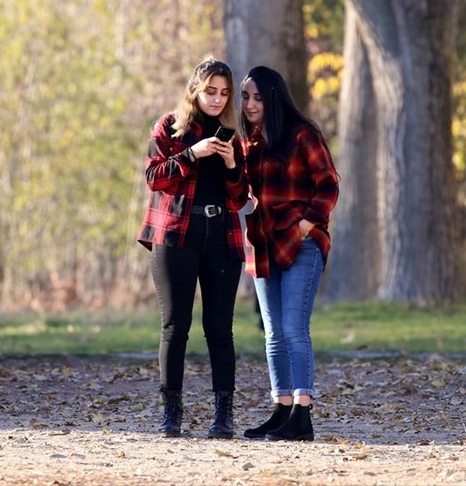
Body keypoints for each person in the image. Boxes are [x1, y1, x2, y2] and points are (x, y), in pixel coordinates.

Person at [137, 57, 249, 439]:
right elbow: (154, 177)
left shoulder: (233, 134)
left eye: (224, 93)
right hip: (175, 236)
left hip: (221, 236)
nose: (217, 99)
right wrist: (192, 154)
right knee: (175, 327)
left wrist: (233, 165)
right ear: (195, 90)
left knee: (220, 329)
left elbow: (239, 198)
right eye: (210, 91)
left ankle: (224, 417)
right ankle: (172, 414)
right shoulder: (170, 127)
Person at [238, 66, 339, 442]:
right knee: (273, 333)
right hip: (263, 243)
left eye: (258, 97)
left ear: (274, 97)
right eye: (246, 97)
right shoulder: (248, 142)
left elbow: (328, 184)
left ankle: (302, 413)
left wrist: (304, 225)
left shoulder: (302, 134)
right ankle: (281, 408)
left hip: (302, 243)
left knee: (295, 328)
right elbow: (240, 195)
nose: (250, 104)